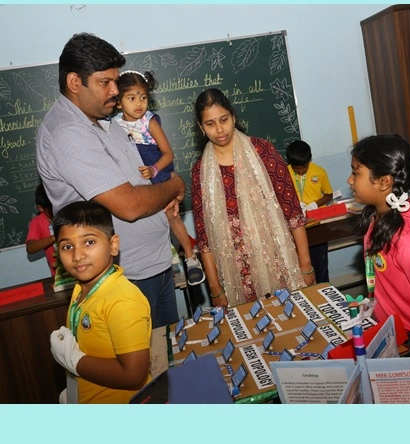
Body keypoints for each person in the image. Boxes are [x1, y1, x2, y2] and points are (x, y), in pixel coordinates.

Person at [36, 33, 185, 329]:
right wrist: (175, 186)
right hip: (123, 279)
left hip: (154, 266)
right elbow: (129, 205)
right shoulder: (67, 132)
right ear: (74, 82)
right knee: (142, 357)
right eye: (105, 82)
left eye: (116, 82)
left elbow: (139, 186)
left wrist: (162, 198)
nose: (115, 91)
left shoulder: (104, 122)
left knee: (167, 351)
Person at [191, 88, 315, 308]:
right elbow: (204, 239)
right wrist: (215, 289)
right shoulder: (200, 171)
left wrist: (305, 265)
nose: (219, 129)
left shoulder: (263, 152)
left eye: (223, 120)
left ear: (233, 117)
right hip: (236, 276)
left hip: (278, 263)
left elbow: (293, 212)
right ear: (201, 128)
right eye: (210, 124)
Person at [49, 201, 151, 404]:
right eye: (67, 247)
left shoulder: (122, 300)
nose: (77, 256)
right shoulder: (81, 288)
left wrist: (74, 360)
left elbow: (134, 375)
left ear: (113, 245)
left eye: (89, 242)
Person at [347, 134, 410, 356]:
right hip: (389, 327)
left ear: (384, 182)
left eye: (356, 173)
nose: (350, 180)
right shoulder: (378, 219)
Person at [114, 69, 205, 287]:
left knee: (171, 216)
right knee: (148, 222)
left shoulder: (149, 121)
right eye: (131, 98)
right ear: (118, 103)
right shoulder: (113, 125)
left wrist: (154, 170)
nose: (139, 103)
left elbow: (168, 154)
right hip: (134, 180)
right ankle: (169, 262)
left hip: (157, 173)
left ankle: (191, 258)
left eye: (143, 97)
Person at [285, 139, 333, 283]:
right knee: (300, 265)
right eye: (296, 168)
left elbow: (329, 195)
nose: (300, 171)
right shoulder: (284, 173)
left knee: (320, 263)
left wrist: (314, 205)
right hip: (296, 225)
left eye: (304, 167)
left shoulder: (319, 171)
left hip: (317, 223)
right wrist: (294, 204)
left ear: (310, 159)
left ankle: (323, 288)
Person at [25, 182, 56, 277]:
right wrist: (55, 237)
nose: (57, 210)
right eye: (53, 208)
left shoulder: (71, 214)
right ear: (40, 208)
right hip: (59, 276)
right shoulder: (38, 222)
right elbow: (30, 248)